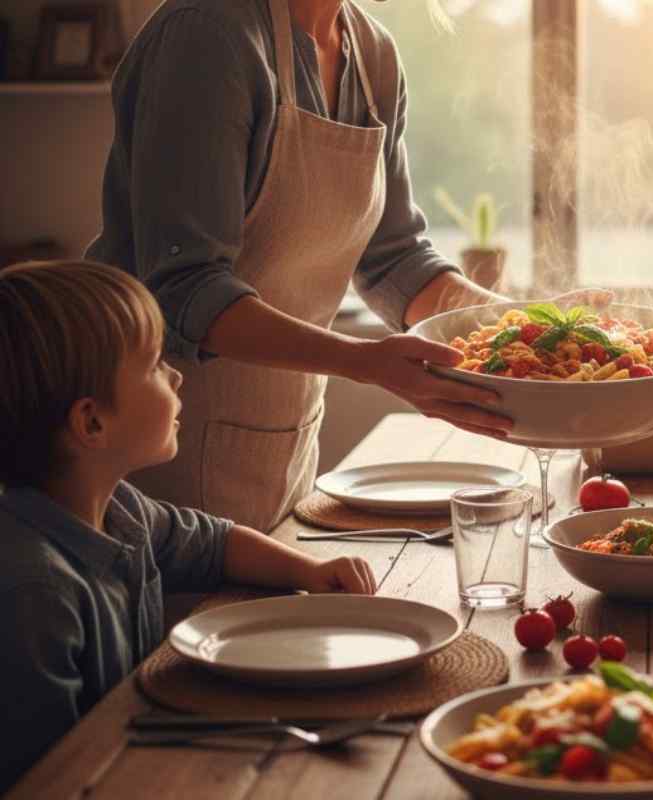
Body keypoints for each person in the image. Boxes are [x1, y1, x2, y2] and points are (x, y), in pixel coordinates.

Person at [84, 0, 599, 531]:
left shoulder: (372, 55)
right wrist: (366, 361)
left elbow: (394, 260)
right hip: (155, 453)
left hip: (283, 447)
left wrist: (528, 323)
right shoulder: (208, 35)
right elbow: (187, 287)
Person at [0, 261, 378, 789]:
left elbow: (215, 544)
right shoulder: (35, 592)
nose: (176, 375)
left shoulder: (122, 511)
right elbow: (45, 777)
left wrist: (311, 571)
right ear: (91, 423)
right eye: (154, 365)